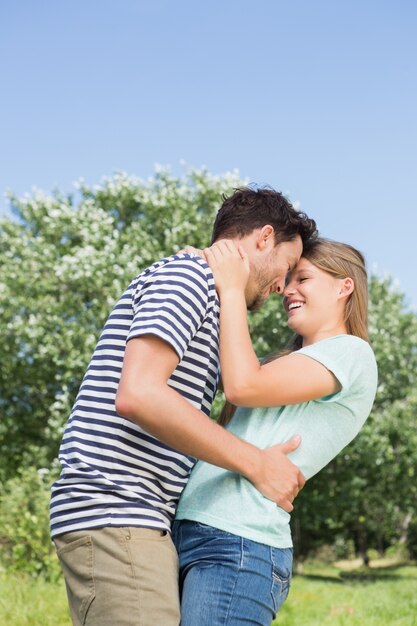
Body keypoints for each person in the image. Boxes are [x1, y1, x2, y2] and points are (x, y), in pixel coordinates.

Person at [50, 187, 317, 626]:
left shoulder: (205, 292)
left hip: (137, 513)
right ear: (263, 238)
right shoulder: (189, 278)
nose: (282, 287)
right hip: (117, 505)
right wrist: (257, 465)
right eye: (288, 268)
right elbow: (139, 393)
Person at [174, 237, 378, 626]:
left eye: (303, 278)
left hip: (238, 547)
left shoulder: (351, 354)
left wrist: (232, 288)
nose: (287, 290)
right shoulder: (285, 364)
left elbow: (242, 386)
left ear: (343, 286)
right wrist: (203, 267)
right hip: (194, 533)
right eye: (287, 280)